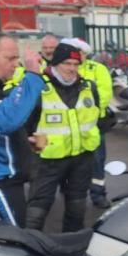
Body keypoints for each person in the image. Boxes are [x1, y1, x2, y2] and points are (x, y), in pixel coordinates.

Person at [26, 42, 100, 232]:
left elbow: (96, 117)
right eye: (67, 63)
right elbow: (25, 124)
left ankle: (72, 248)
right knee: (38, 208)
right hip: (47, 160)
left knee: (77, 206)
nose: (72, 69)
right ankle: (29, 249)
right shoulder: (39, 87)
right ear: (56, 63)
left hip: (81, 158)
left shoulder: (88, 87)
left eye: (76, 64)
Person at [0, 35, 45, 226]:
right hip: (2, 184)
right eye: (10, 58)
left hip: (10, 182)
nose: (16, 64)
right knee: (15, 243)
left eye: (17, 58)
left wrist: (23, 143)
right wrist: (33, 75)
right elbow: (7, 120)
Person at [70, 38, 114, 209]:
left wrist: (84, 111)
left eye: (78, 51)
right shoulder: (66, 69)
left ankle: (98, 194)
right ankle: (75, 196)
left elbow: (104, 94)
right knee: (74, 162)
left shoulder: (98, 69)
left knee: (97, 161)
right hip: (71, 126)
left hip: (93, 125)